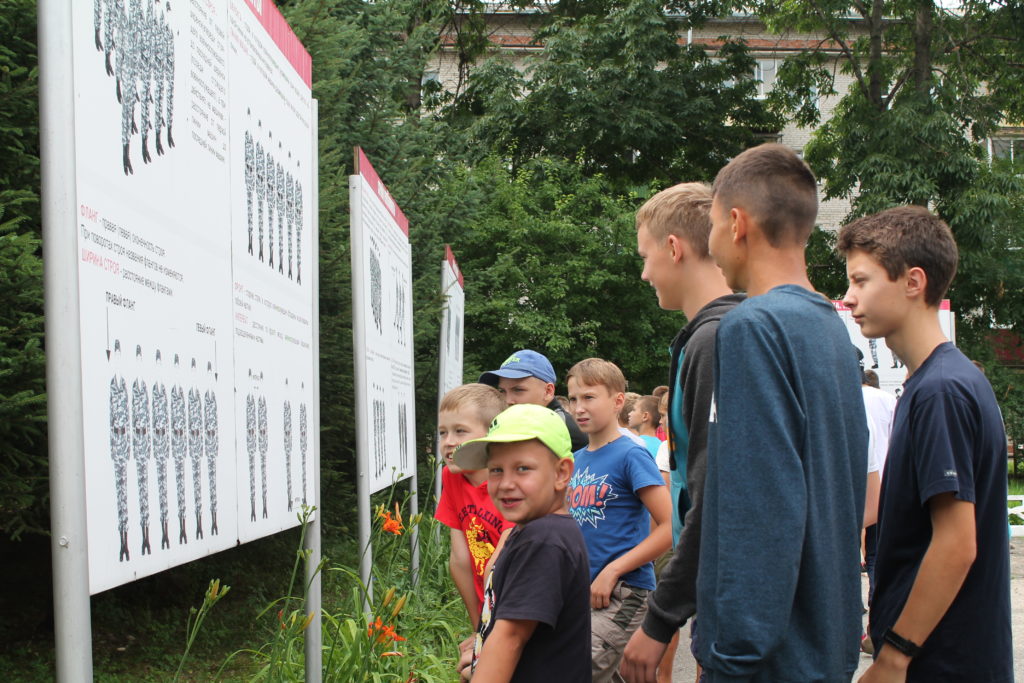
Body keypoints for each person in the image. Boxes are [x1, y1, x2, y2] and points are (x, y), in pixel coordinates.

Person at [699, 144, 868, 681]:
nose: (711, 244)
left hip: (769, 660)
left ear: (735, 222)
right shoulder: (831, 329)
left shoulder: (753, 328)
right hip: (824, 642)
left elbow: (760, 503)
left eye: (711, 225)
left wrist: (733, 651)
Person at [839, 206, 1012, 682]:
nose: (849, 299)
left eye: (861, 281)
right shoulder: (933, 382)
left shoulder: (941, 390)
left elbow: (956, 544)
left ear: (913, 282)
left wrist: (895, 656)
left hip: (945, 662)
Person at [620, 181, 744, 683]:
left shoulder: (718, 340)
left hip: (735, 600)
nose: (645, 273)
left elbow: (715, 495)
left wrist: (660, 618)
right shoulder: (719, 333)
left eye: (645, 257)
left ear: (674, 248)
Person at [454, 403, 591, 682]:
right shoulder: (533, 530)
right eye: (496, 470)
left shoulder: (544, 539)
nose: (505, 483)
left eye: (522, 468)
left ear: (562, 473)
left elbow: (511, 637)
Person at [565, 358, 672, 683]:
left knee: (573, 672)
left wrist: (613, 570)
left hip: (624, 591)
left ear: (617, 401)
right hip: (580, 594)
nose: (579, 407)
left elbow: (670, 527)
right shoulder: (575, 461)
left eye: (589, 397)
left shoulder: (631, 454)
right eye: (572, 399)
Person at [435, 384, 511, 631]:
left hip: (519, 603)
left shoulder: (510, 483)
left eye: (460, 431)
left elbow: (500, 562)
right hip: (488, 608)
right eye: (442, 433)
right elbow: (459, 560)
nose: (449, 442)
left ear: (491, 433)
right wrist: (478, 625)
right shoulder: (451, 477)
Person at [479, 349, 588, 451]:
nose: (508, 400)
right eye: (502, 391)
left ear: (548, 391)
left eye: (518, 390)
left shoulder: (566, 430)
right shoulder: (508, 425)